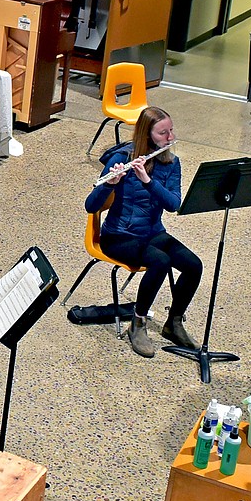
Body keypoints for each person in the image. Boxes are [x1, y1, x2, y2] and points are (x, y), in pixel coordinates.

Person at [84, 106, 203, 358]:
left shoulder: (171, 163)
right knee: (160, 262)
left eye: (171, 131)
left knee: (194, 265)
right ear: (147, 135)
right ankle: (137, 323)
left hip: (152, 232)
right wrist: (110, 185)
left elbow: (173, 204)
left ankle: (174, 323)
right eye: (163, 133)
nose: (170, 138)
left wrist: (149, 182)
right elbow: (91, 206)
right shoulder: (121, 159)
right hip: (119, 236)